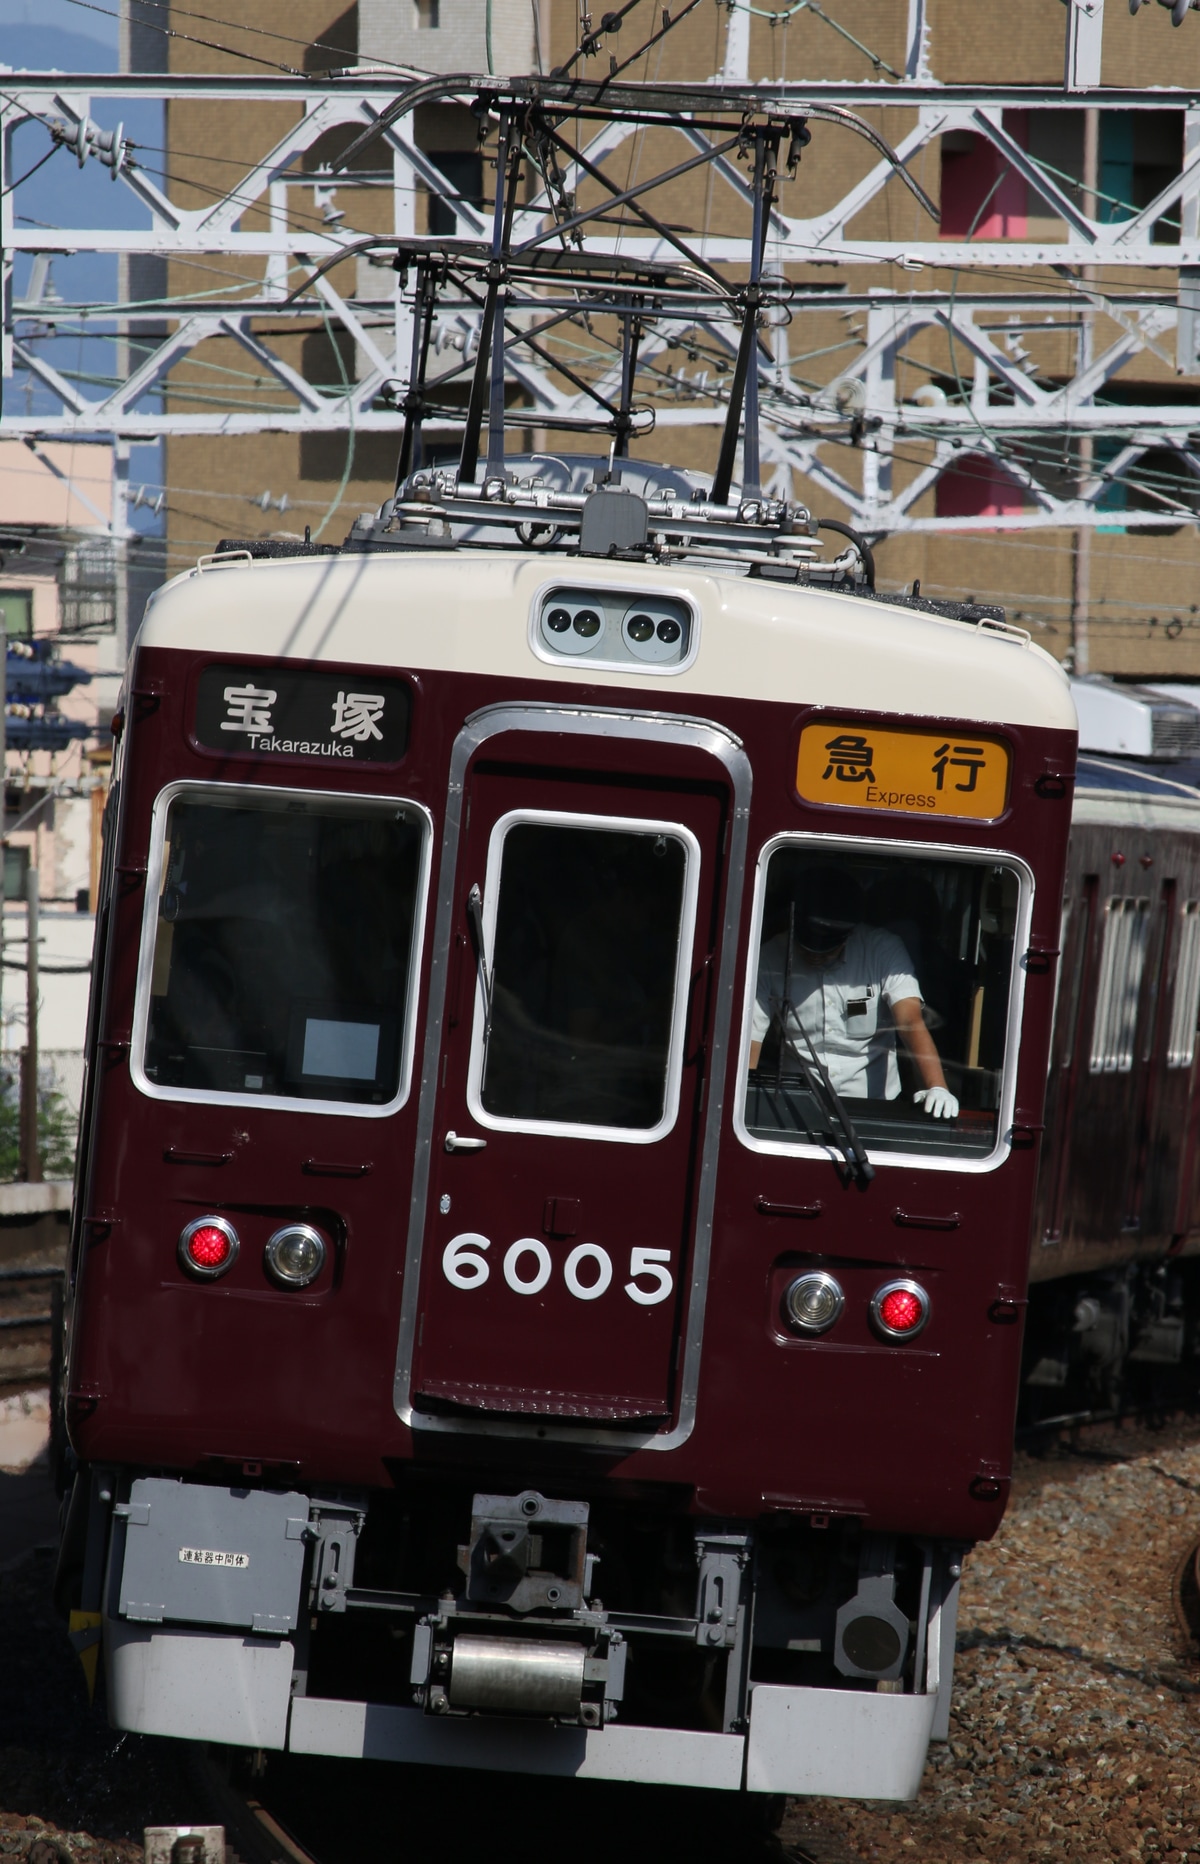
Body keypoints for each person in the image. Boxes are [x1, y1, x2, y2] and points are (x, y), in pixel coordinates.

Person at [747, 865, 959, 1118]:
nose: (816, 957)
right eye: (807, 949)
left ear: (849, 934)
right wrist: (744, 1099)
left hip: (874, 1109)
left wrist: (936, 1086)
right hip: (797, 1106)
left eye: (827, 950)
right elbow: (750, 1038)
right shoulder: (770, 957)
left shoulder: (883, 950)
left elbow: (909, 1020)